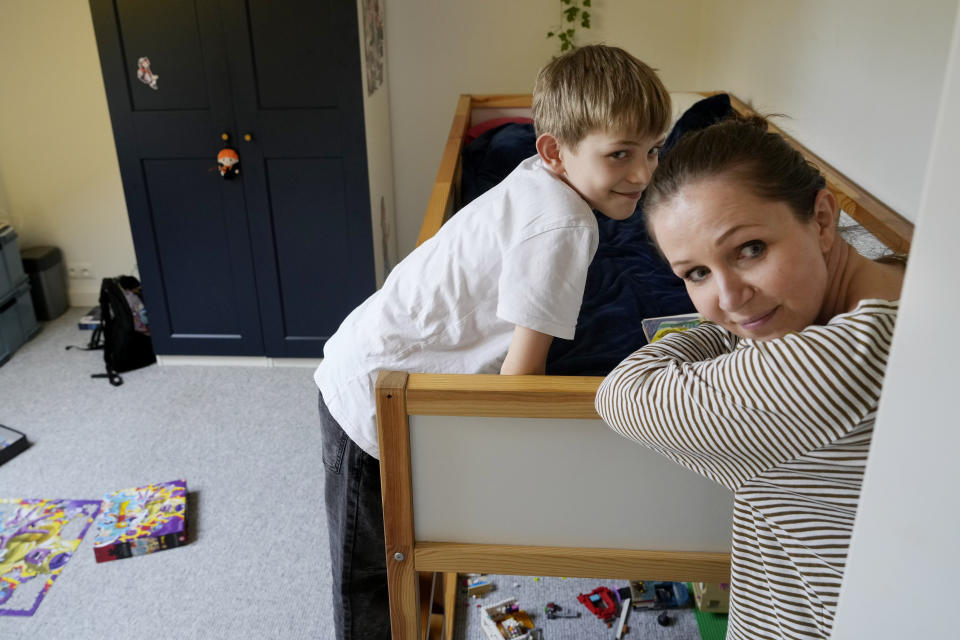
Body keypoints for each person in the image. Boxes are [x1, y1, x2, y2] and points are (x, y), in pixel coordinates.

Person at [314, 44, 672, 640]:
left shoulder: (537, 180)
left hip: (367, 355)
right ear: (554, 151)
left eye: (654, 150)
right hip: (370, 400)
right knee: (369, 577)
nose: (644, 174)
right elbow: (520, 383)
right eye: (620, 155)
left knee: (377, 559)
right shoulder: (563, 226)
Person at [595, 114, 905, 640]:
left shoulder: (834, 365)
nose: (730, 298)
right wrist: (743, 325)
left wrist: (723, 331)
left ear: (824, 219)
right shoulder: (906, 276)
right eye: (696, 273)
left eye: (750, 249)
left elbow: (622, 392)